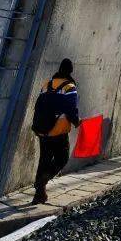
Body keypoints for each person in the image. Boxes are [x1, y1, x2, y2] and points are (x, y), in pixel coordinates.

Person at [31, 57, 80, 204]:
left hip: (42, 129)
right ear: (70, 71)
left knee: (44, 159)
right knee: (62, 158)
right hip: (58, 131)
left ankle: (39, 195)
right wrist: (77, 122)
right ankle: (45, 178)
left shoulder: (47, 84)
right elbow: (71, 109)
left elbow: (38, 105)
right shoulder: (70, 87)